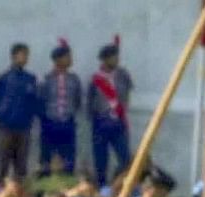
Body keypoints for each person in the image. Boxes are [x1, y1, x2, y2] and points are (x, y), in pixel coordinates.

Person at [0, 44, 42, 184]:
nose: (25, 58)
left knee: (21, 167)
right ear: (13, 56)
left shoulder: (30, 79)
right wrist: (1, 118)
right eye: (22, 54)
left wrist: (30, 118)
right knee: (2, 166)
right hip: (5, 128)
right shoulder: (3, 79)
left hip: (24, 128)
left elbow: (35, 101)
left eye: (27, 55)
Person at [88, 40, 136, 184]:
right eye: (113, 57)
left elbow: (127, 93)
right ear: (105, 59)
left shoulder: (123, 75)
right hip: (101, 124)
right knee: (101, 161)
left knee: (125, 159)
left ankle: (121, 186)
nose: (116, 59)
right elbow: (90, 103)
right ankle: (103, 188)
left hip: (119, 123)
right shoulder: (95, 79)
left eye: (116, 56)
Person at [35, 42, 85, 179]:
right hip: (49, 123)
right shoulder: (46, 79)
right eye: (67, 57)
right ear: (57, 60)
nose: (70, 60)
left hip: (67, 123)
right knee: (46, 159)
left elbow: (78, 100)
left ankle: (67, 189)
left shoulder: (74, 79)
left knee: (68, 159)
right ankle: (43, 192)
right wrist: (45, 119)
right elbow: (39, 101)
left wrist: (69, 115)